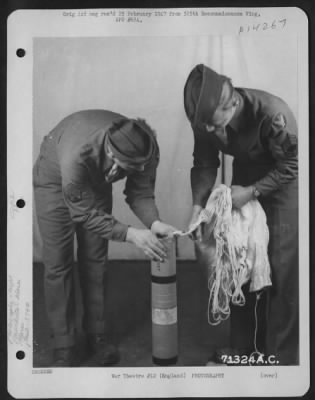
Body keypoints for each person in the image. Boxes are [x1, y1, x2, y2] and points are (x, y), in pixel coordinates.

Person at [33, 110, 176, 367]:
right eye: (126, 168)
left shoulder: (145, 150)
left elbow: (140, 192)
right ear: (111, 155)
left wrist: (154, 223)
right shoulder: (76, 154)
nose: (137, 171)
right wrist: (131, 235)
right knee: (58, 262)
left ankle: (96, 334)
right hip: (55, 181)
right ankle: (64, 343)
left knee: (95, 259)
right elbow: (84, 213)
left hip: (95, 181)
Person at [183, 64, 298, 365]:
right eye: (203, 125)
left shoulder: (272, 114)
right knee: (238, 258)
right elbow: (205, 161)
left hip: (282, 184)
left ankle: (282, 358)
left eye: (213, 124)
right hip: (246, 174)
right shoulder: (204, 117)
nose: (208, 131)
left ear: (231, 102)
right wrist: (198, 209)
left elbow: (290, 167)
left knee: (282, 267)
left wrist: (251, 192)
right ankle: (243, 349)